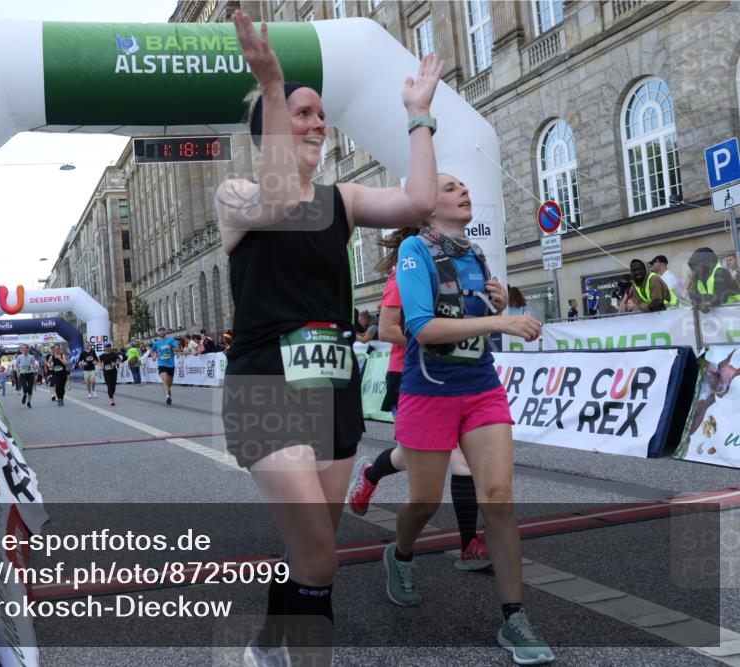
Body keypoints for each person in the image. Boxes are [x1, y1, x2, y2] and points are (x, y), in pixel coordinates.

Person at [216, 11, 443, 666]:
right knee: (321, 553)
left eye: (319, 114)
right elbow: (280, 204)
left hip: (333, 385)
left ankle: (268, 638)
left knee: (310, 548)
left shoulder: (342, 200)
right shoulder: (236, 194)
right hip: (266, 385)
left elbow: (420, 201)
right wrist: (272, 83)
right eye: (301, 113)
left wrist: (417, 115)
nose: (318, 122)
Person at [387, 173, 553, 664]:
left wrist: (496, 302)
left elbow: (472, 311)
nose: (463, 190)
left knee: (498, 500)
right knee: (423, 501)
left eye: (465, 184)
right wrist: (500, 319)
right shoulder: (414, 249)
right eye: (450, 186)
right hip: (429, 393)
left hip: (481, 389)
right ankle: (399, 553)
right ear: (426, 205)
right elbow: (422, 327)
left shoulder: (473, 255)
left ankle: (514, 618)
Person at [348, 227, 495, 572]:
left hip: (457, 374)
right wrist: (430, 337)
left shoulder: (459, 266)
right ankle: (371, 473)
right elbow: (385, 330)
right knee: (414, 458)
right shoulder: (406, 270)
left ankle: (468, 544)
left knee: (460, 459)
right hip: (413, 374)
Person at [688, 247, 740, 312]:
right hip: (721, 316)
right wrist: (693, 295)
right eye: (692, 267)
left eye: (696, 265)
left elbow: (720, 297)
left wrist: (706, 303)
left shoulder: (720, 272)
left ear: (705, 264)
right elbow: (697, 300)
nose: (694, 269)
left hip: (736, 311)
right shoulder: (698, 278)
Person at [151, 326, 181, 405]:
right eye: (159, 331)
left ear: (165, 332)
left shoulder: (170, 340)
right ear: (158, 333)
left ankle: (168, 390)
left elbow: (178, 349)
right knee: (164, 380)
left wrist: (171, 348)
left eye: (162, 330)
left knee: (169, 382)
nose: (161, 332)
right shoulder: (156, 343)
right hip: (162, 364)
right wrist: (153, 356)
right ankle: (167, 397)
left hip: (171, 364)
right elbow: (152, 350)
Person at [16, 344, 38, 408]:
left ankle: (29, 402)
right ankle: (25, 395)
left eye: (26, 348)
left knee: (30, 388)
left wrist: (34, 366)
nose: (24, 350)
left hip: (30, 374)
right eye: (23, 349)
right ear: (22, 349)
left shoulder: (31, 357)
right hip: (22, 374)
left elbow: (34, 364)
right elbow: (16, 365)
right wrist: (18, 372)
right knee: (25, 387)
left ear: (28, 349)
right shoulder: (19, 357)